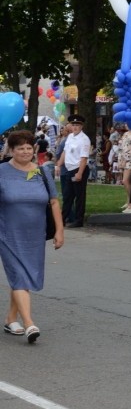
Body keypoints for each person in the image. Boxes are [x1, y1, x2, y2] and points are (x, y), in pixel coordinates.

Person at [0, 130, 64, 343]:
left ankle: (11, 318)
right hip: (7, 233)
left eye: (29, 148)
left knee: (24, 276)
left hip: (35, 234)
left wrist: (59, 230)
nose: (25, 152)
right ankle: (29, 323)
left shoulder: (42, 172)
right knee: (19, 275)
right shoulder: (2, 172)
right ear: (12, 150)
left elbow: (54, 202)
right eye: (20, 148)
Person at [55, 115, 91, 228]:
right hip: (69, 169)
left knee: (79, 196)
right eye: (73, 125)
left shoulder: (84, 139)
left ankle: (79, 220)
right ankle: (62, 218)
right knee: (67, 195)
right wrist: (58, 165)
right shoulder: (70, 136)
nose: (75, 127)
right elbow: (65, 152)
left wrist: (79, 173)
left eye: (77, 125)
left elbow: (84, 158)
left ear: (81, 126)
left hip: (78, 168)